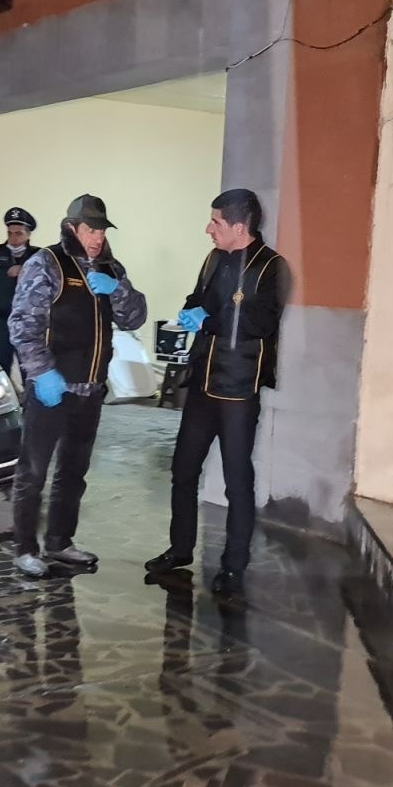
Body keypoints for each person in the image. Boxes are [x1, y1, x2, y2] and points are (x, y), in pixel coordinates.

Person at [145, 189, 289, 599]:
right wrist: (191, 309)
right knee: (183, 469)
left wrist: (209, 319)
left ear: (239, 227)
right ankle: (179, 549)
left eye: (216, 222)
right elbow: (199, 298)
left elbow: (259, 322)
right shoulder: (213, 259)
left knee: (236, 480)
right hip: (203, 382)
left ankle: (232, 567)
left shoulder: (272, 267)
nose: (209, 229)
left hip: (238, 390)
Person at [8, 194, 147, 576]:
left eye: (102, 230)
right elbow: (22, 325)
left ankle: (60, 541)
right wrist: (41, 372)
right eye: (90, 229)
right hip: (53, 389)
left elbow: (135, 318)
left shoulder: (110, 268)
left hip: (90, 390)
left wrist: (116, 290)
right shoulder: (46, 263)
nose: (97, 237)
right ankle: (24, 548)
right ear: (72, 227)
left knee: (73, 472)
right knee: (34, 471)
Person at [0, 207, 39, 376]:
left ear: (28, 234)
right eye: (10, 233)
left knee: (30, 368)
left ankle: (29, 395)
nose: (13, 238)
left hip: (28, 321)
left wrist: (24, 270)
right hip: (0, 320)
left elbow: (46, 284)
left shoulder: (37, 256)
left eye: (18, 233)